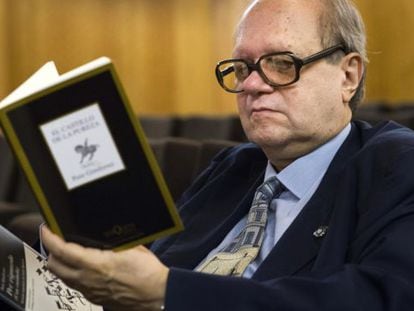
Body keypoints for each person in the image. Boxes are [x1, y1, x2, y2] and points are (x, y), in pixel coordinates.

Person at [41, 0, 414, 310]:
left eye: (282, 63)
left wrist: (167, 293)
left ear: (348, 76)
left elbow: (378, 299)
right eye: (241, 68)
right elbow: (150, 268)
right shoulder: (233, 169)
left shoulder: (397, 167)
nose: (251, 84)